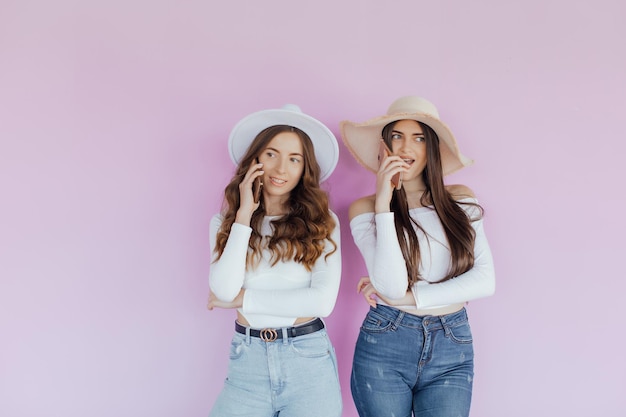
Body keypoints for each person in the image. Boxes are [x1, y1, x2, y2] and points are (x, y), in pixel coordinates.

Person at [340, 96, 496, 417]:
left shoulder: (460, 199)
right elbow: (392, 287)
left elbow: (484, 280)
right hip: (386, 341)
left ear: (432, 149)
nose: (405, 147)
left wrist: (411, 297)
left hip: (452, 342)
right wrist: (384, 201)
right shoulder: (365, 208)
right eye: (397, 136)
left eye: (419, 138)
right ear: (384, 147)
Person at [207, 104, 342, 417]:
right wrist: (243, 214)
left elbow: (322, 303)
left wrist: (245, 299)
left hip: (306, 362)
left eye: (294, 159)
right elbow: (224, 291)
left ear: (304, 168)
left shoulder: (323, 221)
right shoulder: (224, 222)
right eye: (271, 154)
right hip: (247, 364)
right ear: (255, 159)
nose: (281, 169)